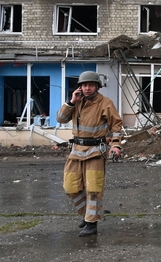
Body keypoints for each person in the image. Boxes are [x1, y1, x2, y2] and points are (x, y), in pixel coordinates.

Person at [57, 71, 123, 237]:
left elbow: (116, 126)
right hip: (76, 151)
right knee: (70, 186)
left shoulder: (105, 103)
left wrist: (116, 146)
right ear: (80, 87)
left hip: (95, 151)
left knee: (93, 188)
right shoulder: (76, 102)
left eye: (91, 85)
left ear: (97, 87)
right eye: (84, 85)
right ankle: (88, 215)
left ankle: (92, 224)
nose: (87, 88)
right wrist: (71, 102)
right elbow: (60, 119)